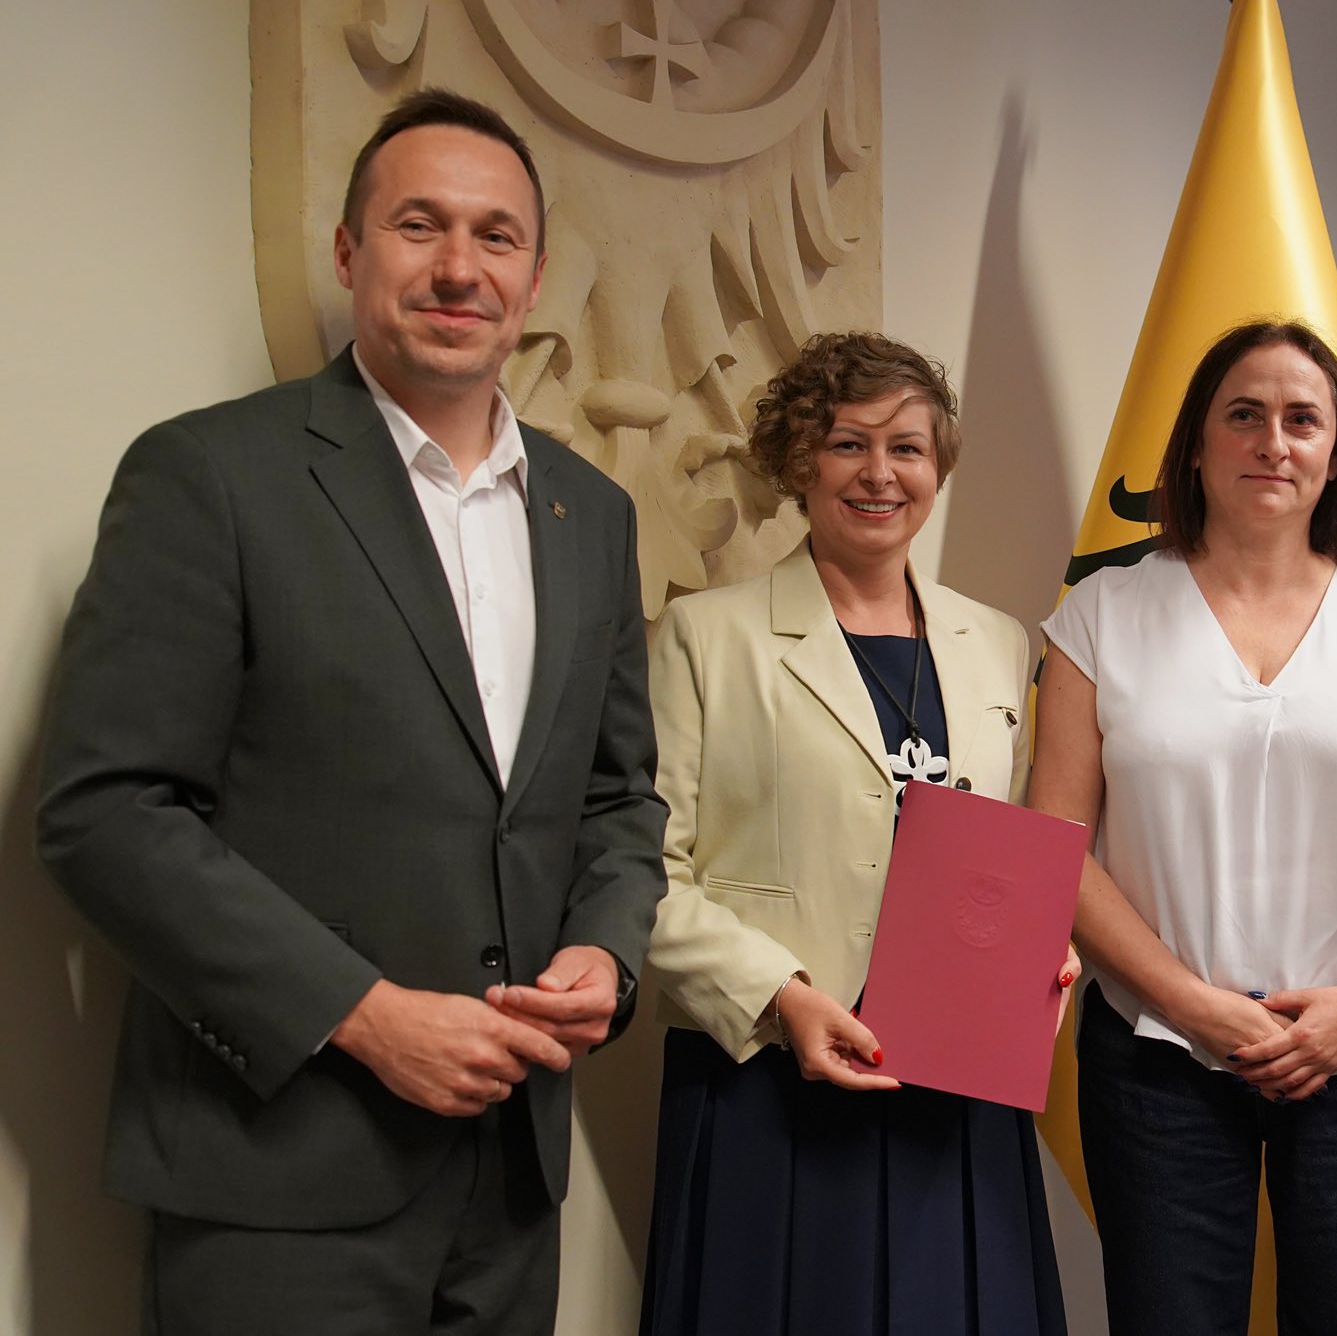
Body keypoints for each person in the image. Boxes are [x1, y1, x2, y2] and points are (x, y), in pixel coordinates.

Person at [36, 89, 667, 1335]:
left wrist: (606, 953)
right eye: (417, 225)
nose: (458, 268)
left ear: (534, 278)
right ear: (347, 251)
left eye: (495, 236)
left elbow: (615, 797)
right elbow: (107, 813)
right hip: (276, 1174)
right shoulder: (210, 474)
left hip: (512, 1183)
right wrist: (362, 1015)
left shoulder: (590, 514)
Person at [1030, 320, 1337, 1335]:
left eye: (1301, 419)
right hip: (1158, 1054)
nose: (1272, 442)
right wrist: (1193, 1004)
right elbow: (1057, 843)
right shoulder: (1101, 614)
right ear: (1195, 445)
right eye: (1243, 415)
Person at [637, 331, 1074, 1336]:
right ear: (800, 461)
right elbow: (643, 871)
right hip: (768, 1077)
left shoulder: (997, 642)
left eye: (906, 447)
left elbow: (1011, 858)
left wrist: (1045, 952)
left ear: (937, 467)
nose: (880, 473)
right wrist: (780, 996)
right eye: (847, 443)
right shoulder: (707, 635)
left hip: (954, 1084)